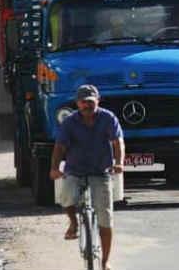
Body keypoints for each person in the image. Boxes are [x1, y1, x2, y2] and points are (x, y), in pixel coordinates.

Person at [50, 85, 124, 270]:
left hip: (101, 171)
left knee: (105, 218)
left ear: (97, 101)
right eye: (83, 102)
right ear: (77, 104)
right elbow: (59, 147)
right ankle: (74, 224)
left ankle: (105, 262)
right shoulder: (70, 122)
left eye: (91, 101)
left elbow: (118, 142)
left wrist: (119, 162)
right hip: (75, 170)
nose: (87, 105)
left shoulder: (108, 118)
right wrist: (54, 168)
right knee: (66, 197)